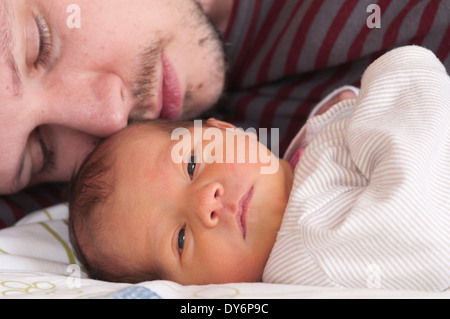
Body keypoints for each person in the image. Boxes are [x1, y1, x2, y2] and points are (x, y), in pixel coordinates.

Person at [69, 46, 450, 291]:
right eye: (180, 239)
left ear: (222, 129)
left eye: (190, 163)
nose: (207, 202)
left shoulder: (302, 166)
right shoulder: (316, 254)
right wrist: (399, 76)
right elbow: (422, 227)